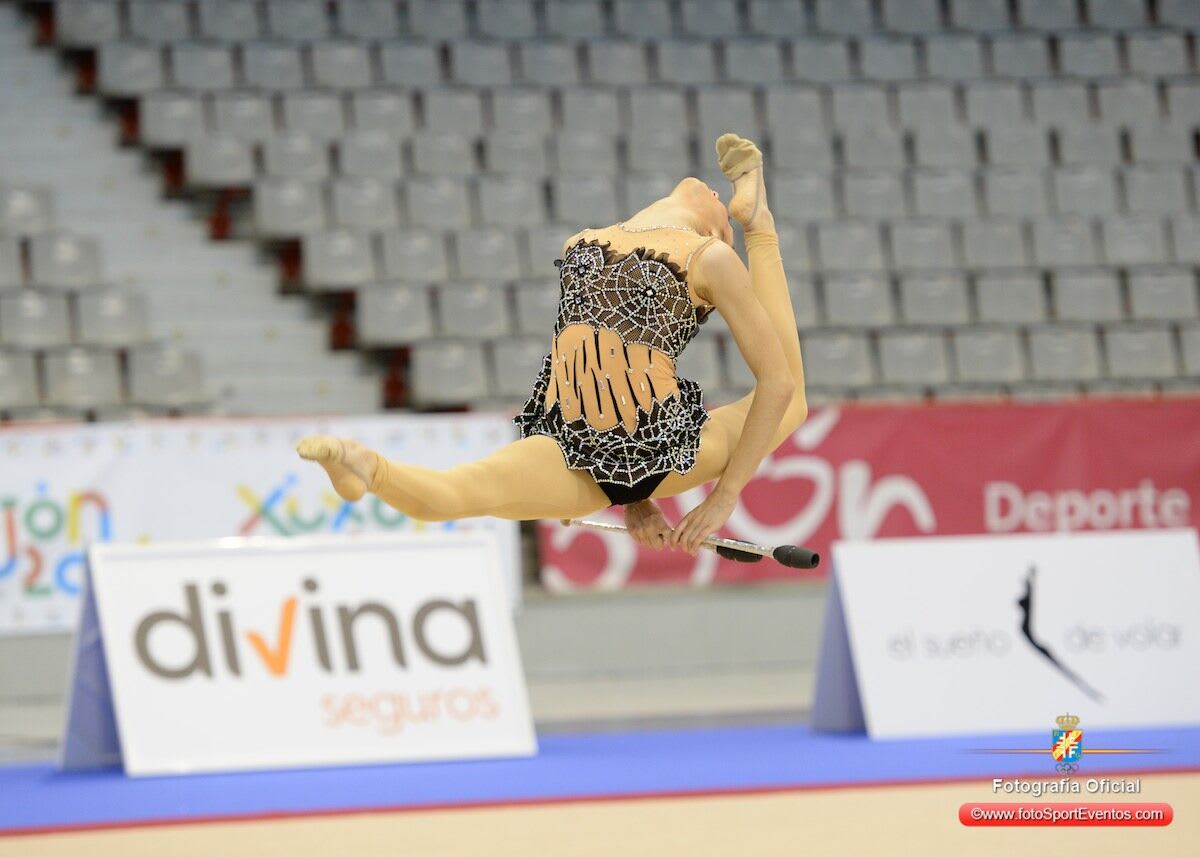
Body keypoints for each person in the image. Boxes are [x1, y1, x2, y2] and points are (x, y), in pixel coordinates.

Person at [297, 133, 808, 556]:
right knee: (793, 402)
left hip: (579, 446)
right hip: (650, 450)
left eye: (732, 228)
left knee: (463, 492)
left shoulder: (584, 246)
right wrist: (713, 497)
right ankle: (760, 226)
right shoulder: (705, 256)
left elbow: (586, 372)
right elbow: (781, 384)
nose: (716, 199)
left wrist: (667, 497)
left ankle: (364, 462)